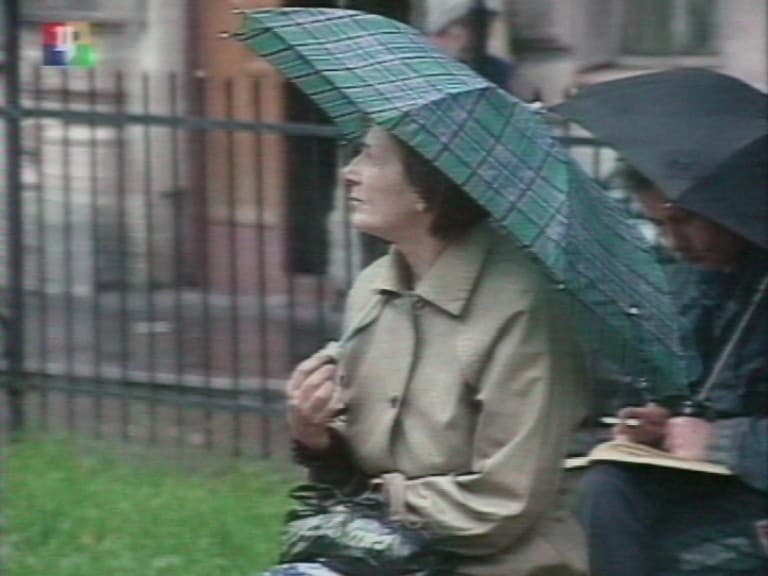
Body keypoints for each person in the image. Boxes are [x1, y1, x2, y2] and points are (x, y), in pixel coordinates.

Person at [284, 124, 588, 575]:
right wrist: (317, 436)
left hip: (499, 562)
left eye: (372, 157)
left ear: (428, 186)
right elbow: (363, 463)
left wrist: (375, 505)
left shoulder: (521, 305)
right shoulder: (373, 288)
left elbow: (506, 498)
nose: (350, 172)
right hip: (385, 548)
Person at [553, 69, 768, 576]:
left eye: (685, 221)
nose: (675, 242)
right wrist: (664, 419)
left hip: (751, 485)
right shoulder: (707, 279)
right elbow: (703, 384)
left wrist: (721, 441)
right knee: (607, 488)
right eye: (659, 225)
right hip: (713, 480)